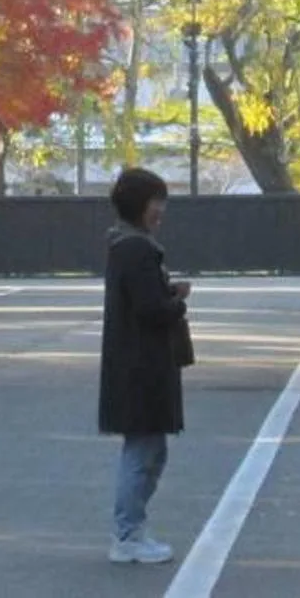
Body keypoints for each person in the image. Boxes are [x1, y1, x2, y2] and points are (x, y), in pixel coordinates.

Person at [99, 166, 192, 565]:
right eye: (156, 202)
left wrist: (167, 292)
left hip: (136, 365)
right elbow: (151, 309)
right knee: (143, 452)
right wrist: (178, 301)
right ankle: (127, 532)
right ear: (140, 205)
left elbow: (144, 300)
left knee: (150, 451)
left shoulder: (127, 244)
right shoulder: (136, 249)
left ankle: (132, 528)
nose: (161, 211)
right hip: (141, 367)